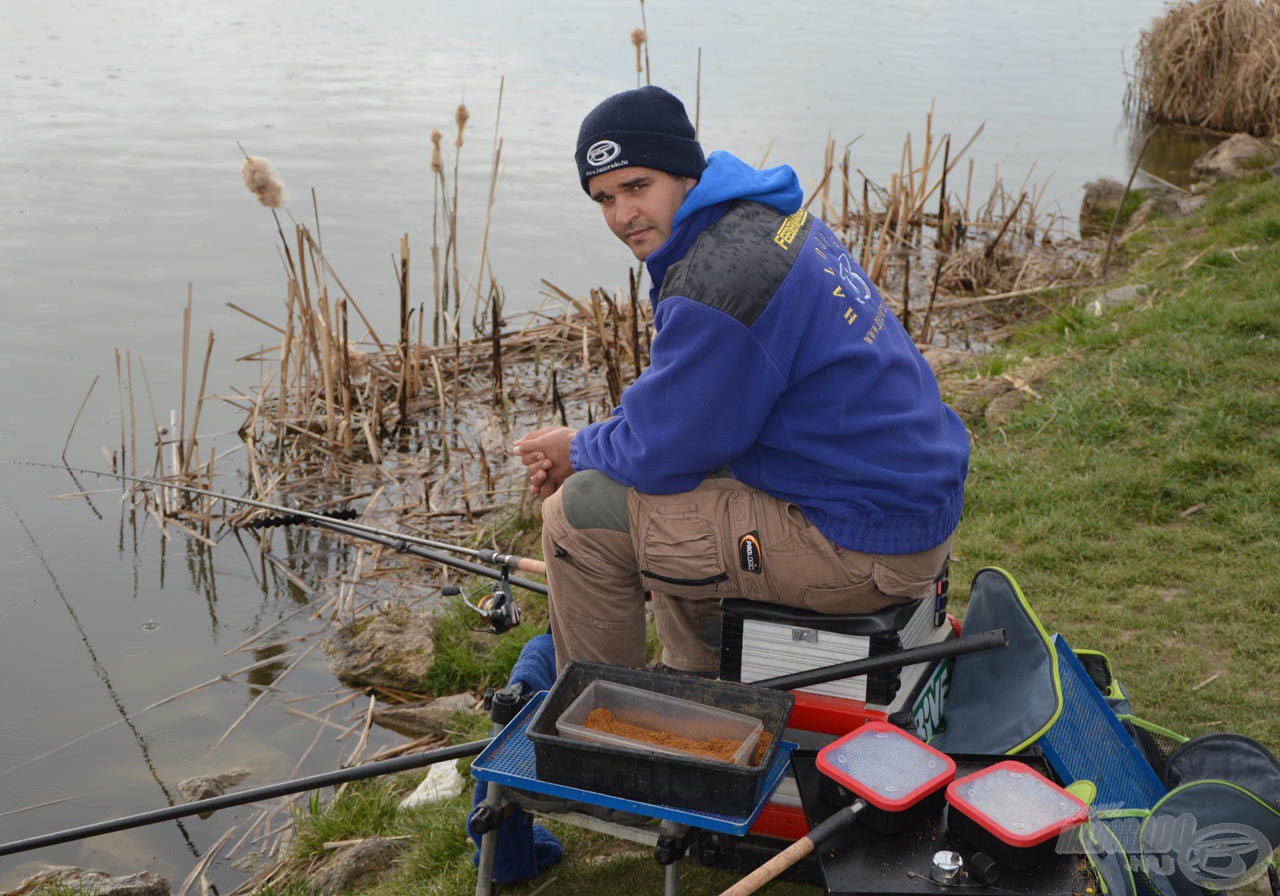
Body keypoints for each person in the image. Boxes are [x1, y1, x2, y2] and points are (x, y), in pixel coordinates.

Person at [515, 86, 969, 676]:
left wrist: (576, 450)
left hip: (863, 544)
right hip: (903, 505)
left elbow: (662, 449)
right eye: (604, 198)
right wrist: (599, 443)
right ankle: (695, 682)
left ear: (682, 174)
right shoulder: (763, 219)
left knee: (580, 515)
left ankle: (596, 732)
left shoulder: (718, 281)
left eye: (637, 187)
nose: (622, 215)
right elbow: (684, 419)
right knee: (668, 487)